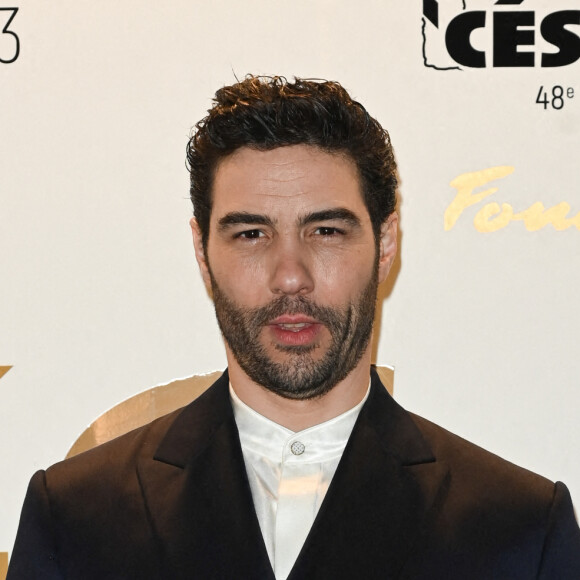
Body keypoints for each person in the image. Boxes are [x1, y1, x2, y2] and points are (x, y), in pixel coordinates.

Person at [7, 76, 580, 580]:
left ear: (385, 245)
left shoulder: (519, 527)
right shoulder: (76, 514)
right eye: (251, 234)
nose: (290, 277)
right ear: (203, 255)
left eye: (326, 231)